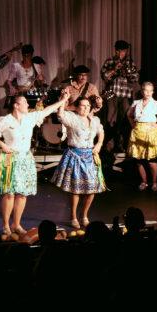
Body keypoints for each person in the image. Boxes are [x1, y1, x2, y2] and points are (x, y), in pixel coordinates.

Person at [0, 90, 71, 236]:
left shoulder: (30, 117)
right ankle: (6, 225)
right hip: (10, 159)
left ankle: (16, 224)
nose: (27, 104)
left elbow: (48, 110)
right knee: (9, 193)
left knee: (22, 194)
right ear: (16, 105)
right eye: (24, 102)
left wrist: (63, 100)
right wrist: (3, 145)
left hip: (25, 158)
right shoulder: (6, 120)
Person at [51, 96, 106, 229]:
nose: (86, 108)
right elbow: (60, 115)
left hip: (90, 156)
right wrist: (63, 100)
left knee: (92, 189)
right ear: (76, 107)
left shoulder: (95, 120)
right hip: (75, 155)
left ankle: (84, 215)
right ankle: (73, 217)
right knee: (75, 189)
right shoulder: (72, 118)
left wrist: (99, 144)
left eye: (88, 106)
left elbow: (101, 131)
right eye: (82, 105)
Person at [127, 82, 157, 192]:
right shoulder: (136, 103)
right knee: (139, 160)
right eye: (145, 90)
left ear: (152, 92)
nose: (147, 93)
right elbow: (129, 114)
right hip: (138, 132)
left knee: (152, 160)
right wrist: (133, 125)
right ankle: (144, 182)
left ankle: (154, 182)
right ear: (142, 91)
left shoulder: (156, 104)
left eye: (150, 90)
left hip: (151, 133)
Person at [100, 40, 139, 153]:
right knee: (110, 119)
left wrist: (127, 72)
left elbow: (136, 78)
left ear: (126, 51)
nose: (120, 53)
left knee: (124, 120)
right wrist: (114, 69)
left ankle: (120, 144)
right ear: (115, 50)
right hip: (112, 94)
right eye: (118, 51)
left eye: (123, 51)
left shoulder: (130, 63)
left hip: (125, 95)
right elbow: (104, 76)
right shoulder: (110, 61)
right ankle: (107, 144)